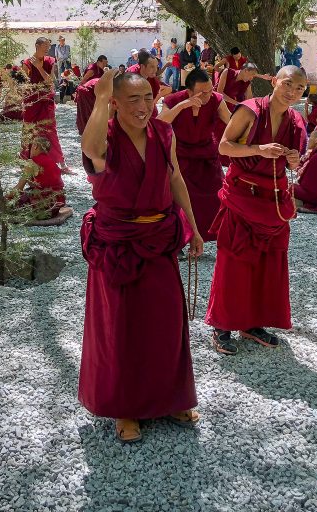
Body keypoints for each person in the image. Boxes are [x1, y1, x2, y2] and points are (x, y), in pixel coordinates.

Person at [79, 68, 201, 443]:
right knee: (122, 326)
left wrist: (194, 229)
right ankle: (126, 407)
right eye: (133, 99)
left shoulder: (164, 133)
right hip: (118, 242)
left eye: (148, 98)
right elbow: (91, 150)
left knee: (166, 321)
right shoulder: (106, 137)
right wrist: (100, 100)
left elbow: (175, 178)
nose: (144, 106)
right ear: (115, 103)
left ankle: (172, 398)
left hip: (160, 235)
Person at [206, 66, 307, 356]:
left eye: (299, 88)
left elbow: (294, 165)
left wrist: (292, 159)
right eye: (288, 84)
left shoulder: (296, 120)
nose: (292, 92)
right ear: (274, 81)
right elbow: (225, 147)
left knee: (268, 264)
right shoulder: (250, 110)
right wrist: (258, 149)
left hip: (273, 202)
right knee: (234, 262)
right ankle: (222, 325)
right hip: (243, 196)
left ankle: (253, 323)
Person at [158, 67, 232, 240]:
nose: (207, 95)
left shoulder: (216, 99)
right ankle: (179, 236)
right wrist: (182, 106)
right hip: (180, 155)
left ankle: (211, 234)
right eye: (201, 92)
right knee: (179, 198)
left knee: (217, 195)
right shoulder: (174, 99)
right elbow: (159, 123)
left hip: (206, 154)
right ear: (189, 90)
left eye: (209, 90)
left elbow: (231, 122)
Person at [22, 37, 67, 172]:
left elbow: (50, 82)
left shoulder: (50, 61)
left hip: (46, 100)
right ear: (37, 46)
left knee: (50, 130)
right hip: (31, 102)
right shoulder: (26, 63)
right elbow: (25, 85)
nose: (48, 49)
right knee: (29, 130)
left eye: (48, 46)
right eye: (45, 46)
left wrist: (40, 68)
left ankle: (61, 162)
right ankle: (27, 162)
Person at [10, 136, 66, 220]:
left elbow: (19, 188)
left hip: (42, 206)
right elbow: (39, 183)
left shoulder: (32, 162)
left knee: (10, 204)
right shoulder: (52, 162)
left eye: (31, 146)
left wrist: (5, 198)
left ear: (35, 146)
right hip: (56, 205)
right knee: (27, 192)